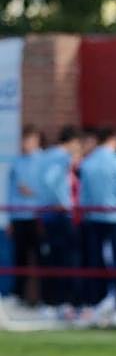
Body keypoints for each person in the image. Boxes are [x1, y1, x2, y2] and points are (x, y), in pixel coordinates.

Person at [77, 126, 116, 324]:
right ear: (114, 140)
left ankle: (96, 304)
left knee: (96, 262)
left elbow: (83, 196)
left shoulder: (87, 163)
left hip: (93, 218)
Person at [37, 126, 82, 312]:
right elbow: (51, 179)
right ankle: (63, 302)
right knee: (66, 259)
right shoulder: (62, 157)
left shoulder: (45, 155)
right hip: (60, 213)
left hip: (47, 213)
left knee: (51, 258)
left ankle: (51, 302)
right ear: (72, 142)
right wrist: (62, 202)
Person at [8, 125, 43, 306]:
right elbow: (11, 192)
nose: (25, 143)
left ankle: (44, 299)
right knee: (19, 258)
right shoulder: (17, 163)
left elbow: (49, 189)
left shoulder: (44, 161)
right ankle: (19, 296)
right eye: (23, 139)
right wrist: (9, 219)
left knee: (41, 257)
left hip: (38, 217)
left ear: (36, 140)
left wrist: (33, 192)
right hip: (19, 217)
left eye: (28, 139)